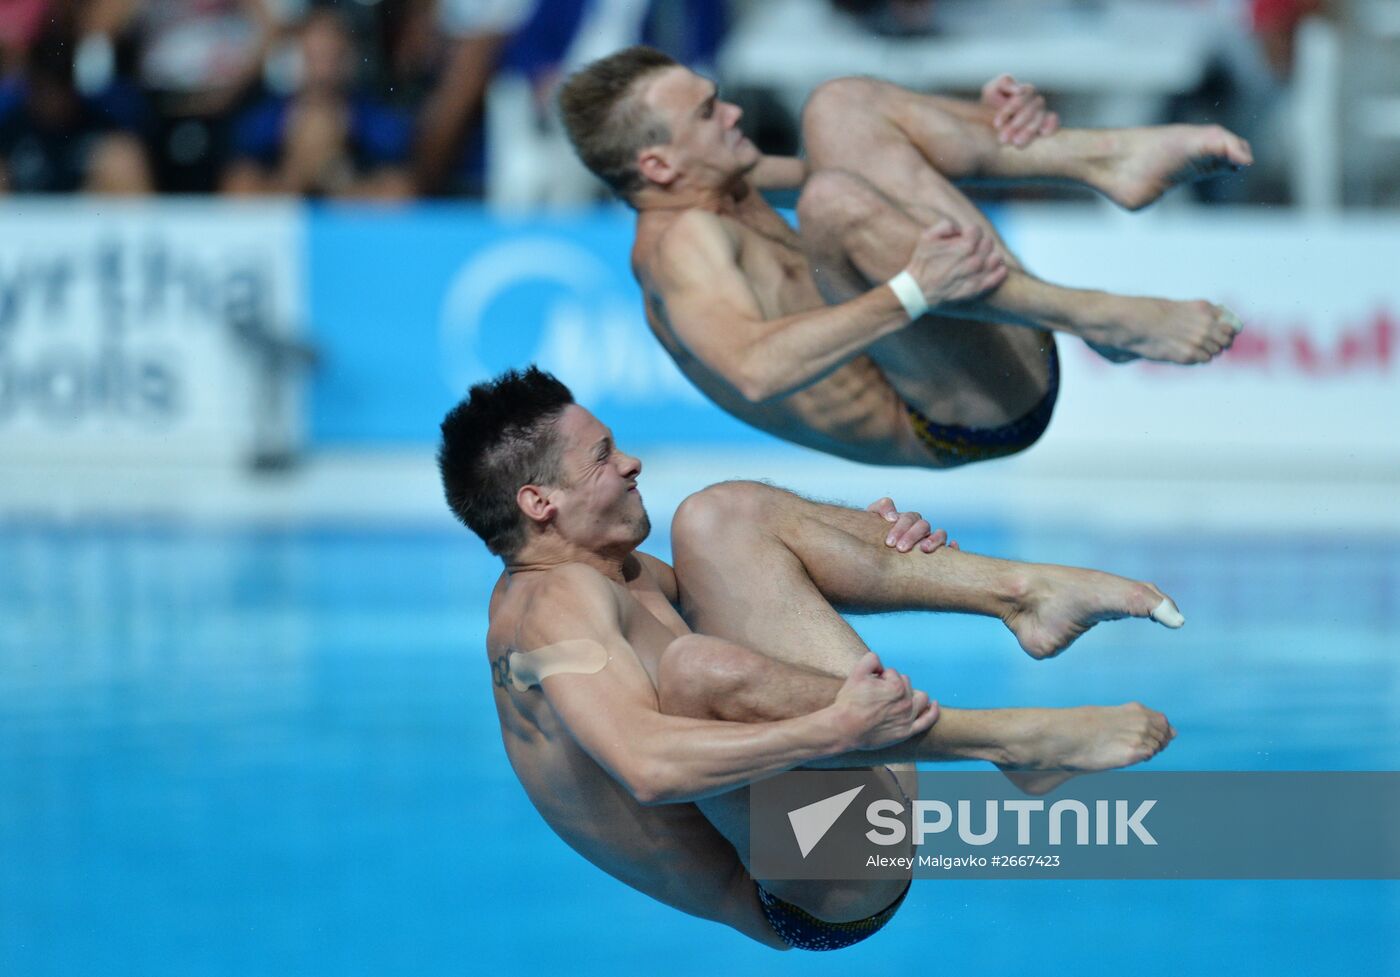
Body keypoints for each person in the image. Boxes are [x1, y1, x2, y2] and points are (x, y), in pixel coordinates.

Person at [439, 366, 1181, 950]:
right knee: (696, 671)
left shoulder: (617, 574)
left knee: (718, 515)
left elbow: (768, 596)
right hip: (812, 886)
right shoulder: (547, 612)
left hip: (845, 802)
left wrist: (867, 537)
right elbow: (648, 768)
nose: (632, 462)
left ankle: (1022, 594)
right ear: (540, 502)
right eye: (603, 455)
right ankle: (1011, 741)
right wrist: (833, 731)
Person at [556, 48, 1252, 468]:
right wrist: (913, 290)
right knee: (830, 204)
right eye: (708, 112)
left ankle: (1105, 158)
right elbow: (756, 369)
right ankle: (1100, 318)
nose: (733, 112)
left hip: (968, 347)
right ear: (657, 163)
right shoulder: (680, 249)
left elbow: (877, 154)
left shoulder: (720, 182)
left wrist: (984, 120)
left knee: (837, 106)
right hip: (960, 418)